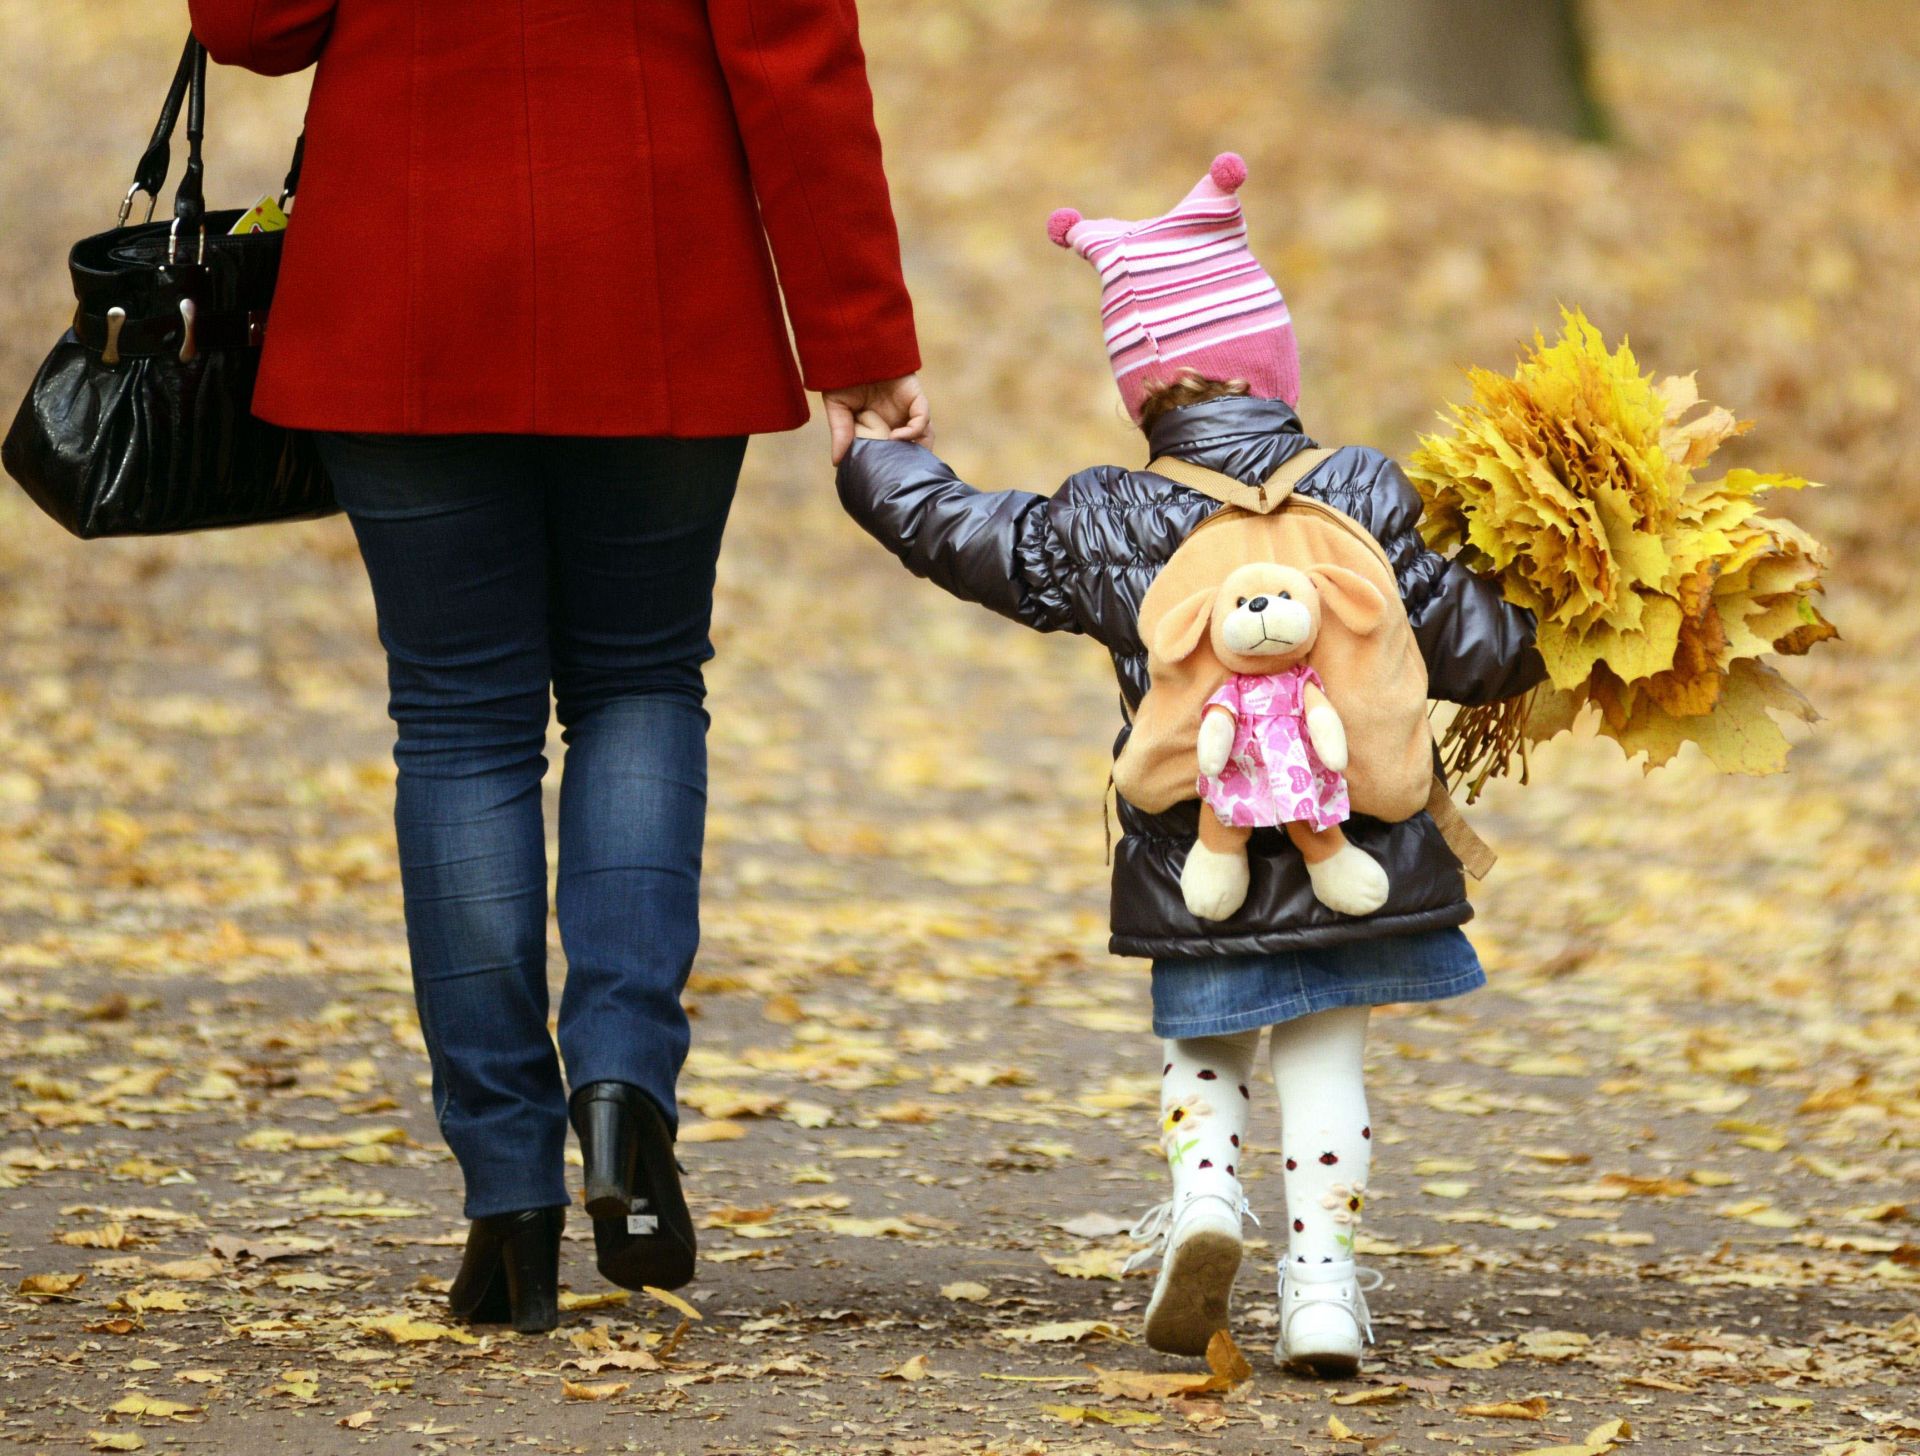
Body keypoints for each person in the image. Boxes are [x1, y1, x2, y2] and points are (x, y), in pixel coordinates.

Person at [188, 0, 930, 1333]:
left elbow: (248, 23)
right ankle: (623, 1091)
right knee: (640, 684)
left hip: (401, 282)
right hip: (659, 271)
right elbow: (795, 53)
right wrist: (857, 335)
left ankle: (508, 1201)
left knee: (461, 725)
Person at [837, 154, 1540, 1376]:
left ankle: (1207, 1197)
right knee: (1327, 1057)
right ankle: (1322, 1287)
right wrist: (1566, 608)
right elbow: (1477, 650)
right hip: (1356, 851)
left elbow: (970, 536)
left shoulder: (1111, 516)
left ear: (1140, 394)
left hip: (1192, 852)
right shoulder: (1367, 488)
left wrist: (876, 463)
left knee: (1205, 1049)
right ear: (1276, 368)